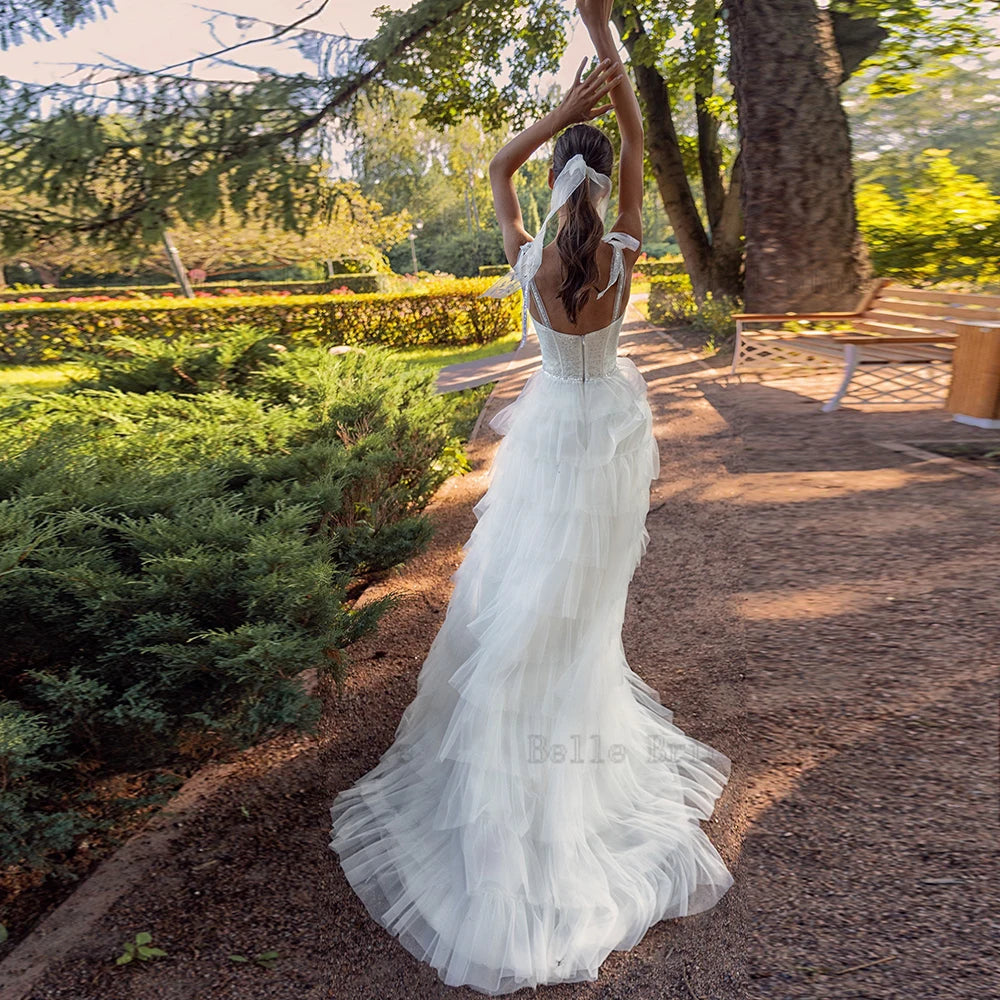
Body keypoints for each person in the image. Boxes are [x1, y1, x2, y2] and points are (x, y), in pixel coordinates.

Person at [329, 3, 734, 994]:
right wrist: (603, 39)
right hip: (603, 439)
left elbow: (496, 170)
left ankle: (518, 733)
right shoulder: (625, 254)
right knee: (582, 606)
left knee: (518, 584)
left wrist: (552, 117)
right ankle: (565, 732)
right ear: (608, 185)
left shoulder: (529, 259)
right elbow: (634, 143)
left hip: (549, 431)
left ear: (556, 180)